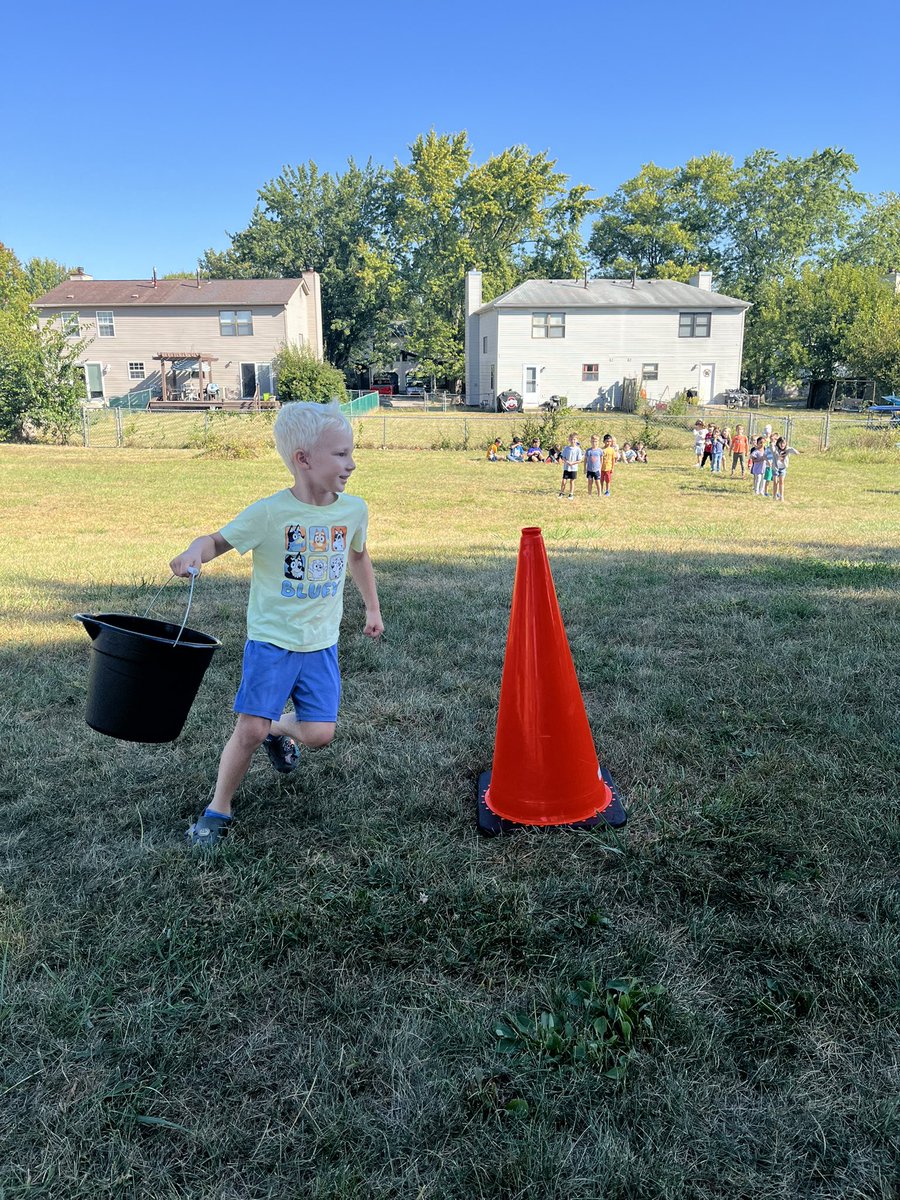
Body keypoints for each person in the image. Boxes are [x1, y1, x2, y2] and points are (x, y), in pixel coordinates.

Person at [169, 401, 384, 850]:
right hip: (272, 642)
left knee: (321, 734)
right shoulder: (269, 513)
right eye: (341, 454)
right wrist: (194, 551)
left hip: (321, 643)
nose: (352, 463)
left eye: (351, 452)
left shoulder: (353, 511)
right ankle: (217, 810)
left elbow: (358, 556)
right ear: (303, 459)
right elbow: (215, 542)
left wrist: (371, 608)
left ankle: (276, 730)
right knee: (247, 728)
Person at [558, 432, 583, 498]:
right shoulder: (566, 448)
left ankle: (571, 493)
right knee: (564, 481)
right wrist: (567, 461)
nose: (573, 441)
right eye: (571, 439)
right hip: (566, 468)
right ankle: (561, 492)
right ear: (569, 439)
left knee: (572, 481)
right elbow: (563, 457)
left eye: (574, 439)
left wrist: (573, 463)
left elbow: (580, 460)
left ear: (577, 440)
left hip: (574, 468)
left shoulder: (578, 449)